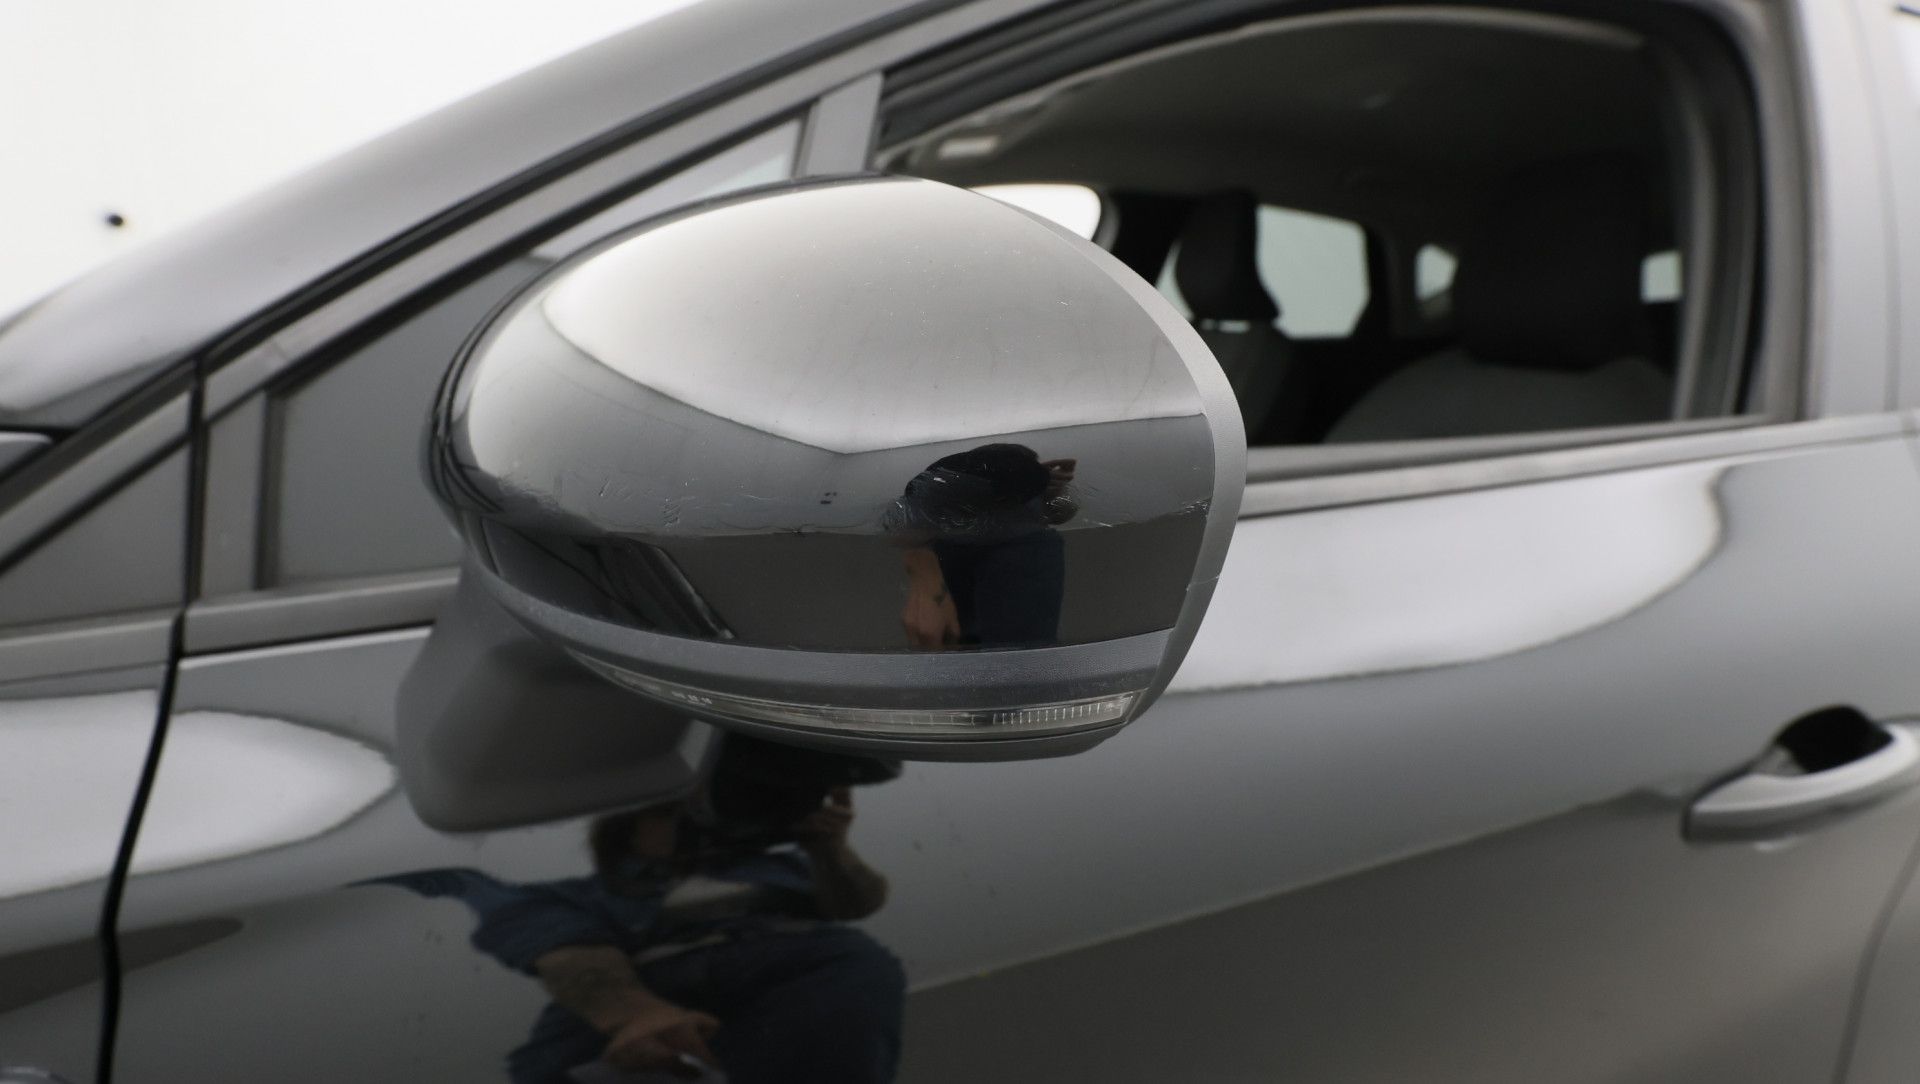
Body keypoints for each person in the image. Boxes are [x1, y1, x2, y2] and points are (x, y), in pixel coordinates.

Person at [377, 787, 903, 1084]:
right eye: (668, 813)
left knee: (853, 967)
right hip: (641, 980)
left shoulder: (768, 866)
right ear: (625, 827)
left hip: (783, 961)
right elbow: (565, 952)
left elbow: (857, 903)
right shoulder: (578, 895)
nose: (693, 823)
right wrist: (633, 1014)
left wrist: (829, 850)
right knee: (549, 1067)